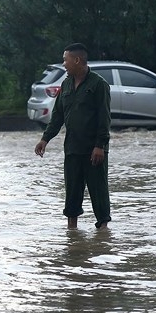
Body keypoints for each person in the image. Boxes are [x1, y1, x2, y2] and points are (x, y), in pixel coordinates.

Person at [34, 43, 112, 230]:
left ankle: (103, 235)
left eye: (65, 60)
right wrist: (45, 138)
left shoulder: (98, 85)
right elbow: (58, 116)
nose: (64, 64)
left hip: (94, 150)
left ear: (77, 60)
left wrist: (100, 145)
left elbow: (104, 117)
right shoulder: (66, 84)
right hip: (72, 149)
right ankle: (72, 236)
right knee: (72, 195)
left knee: (99, 193)